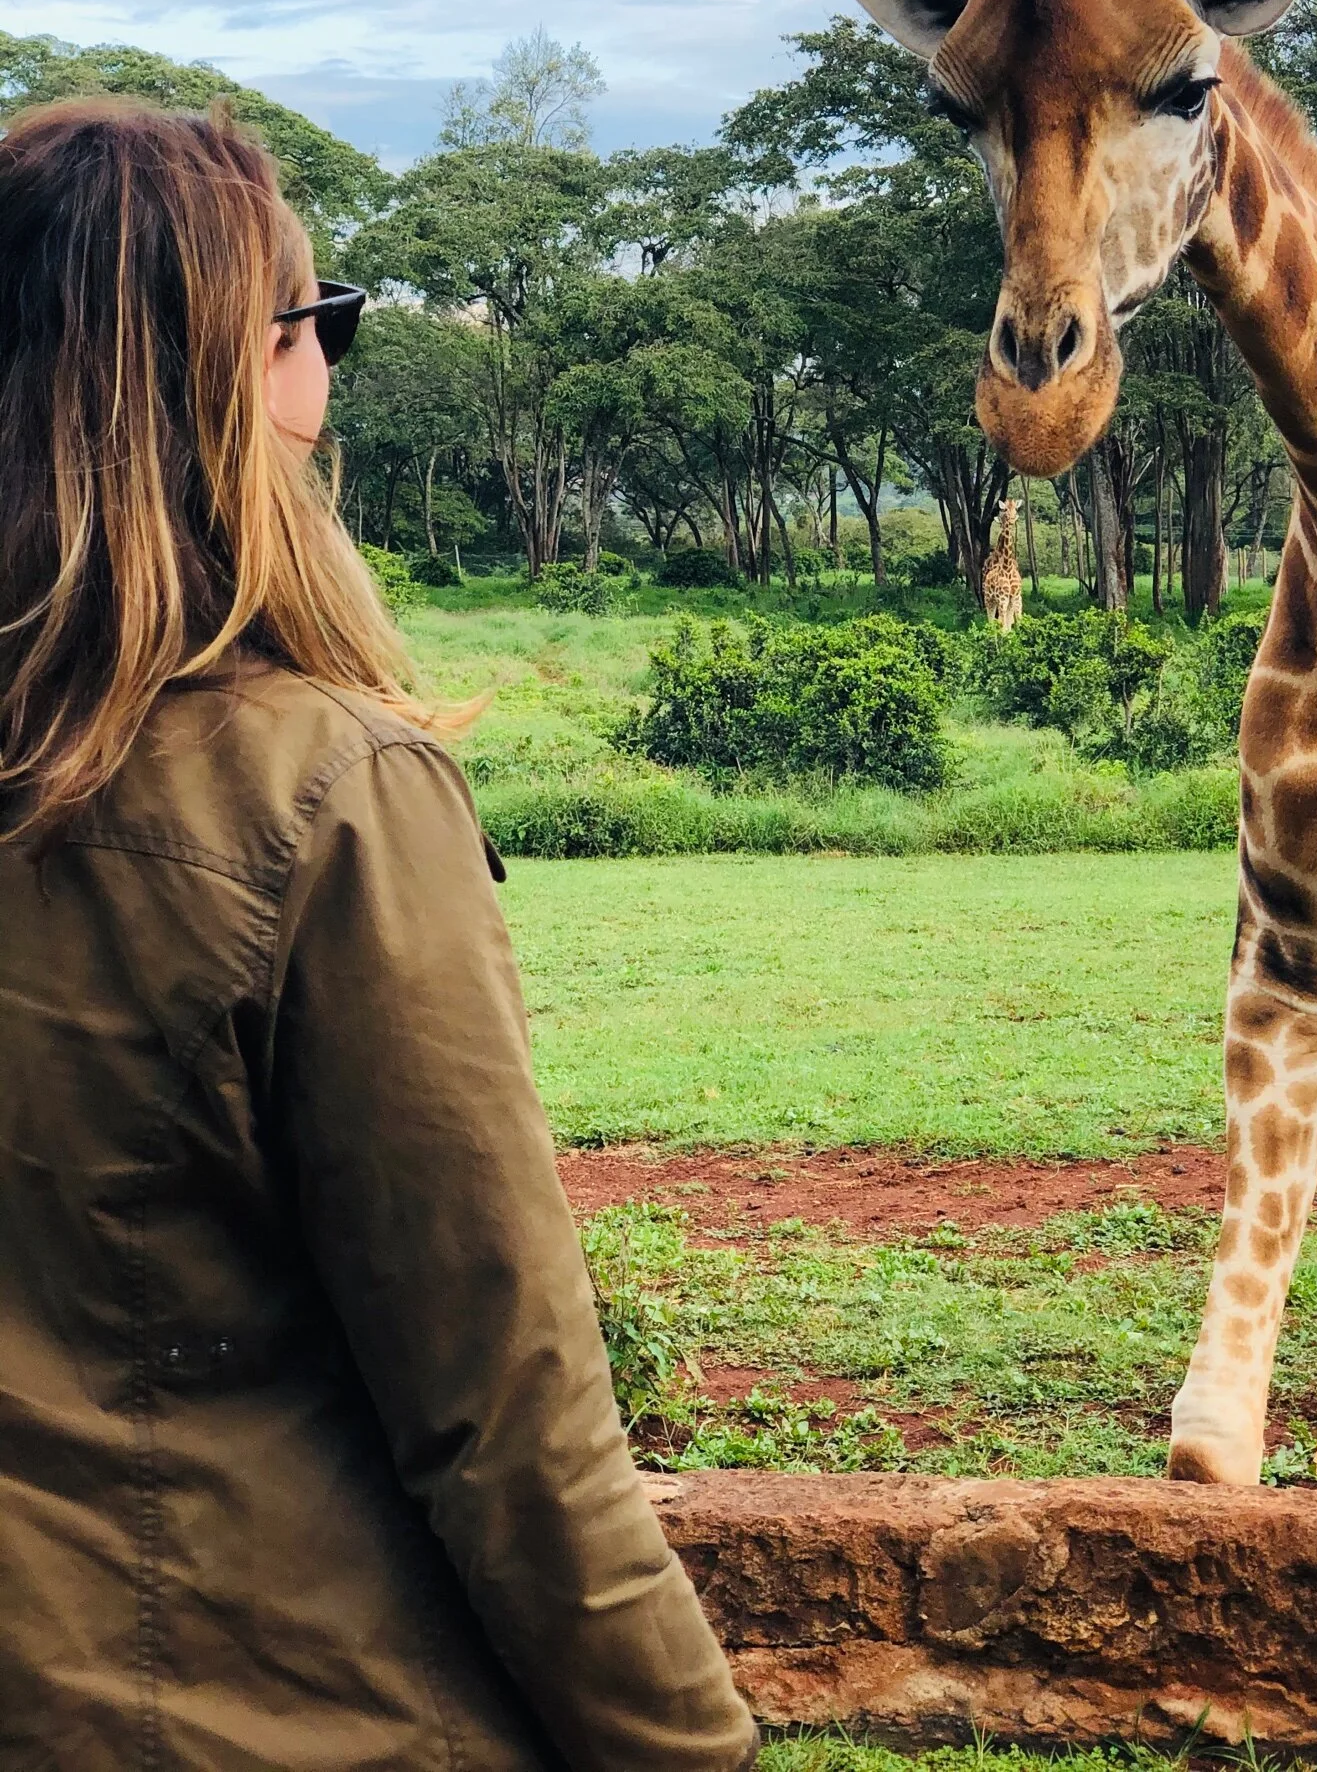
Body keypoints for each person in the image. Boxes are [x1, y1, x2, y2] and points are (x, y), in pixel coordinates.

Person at [0, 99, 758, 1772]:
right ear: (247, 366)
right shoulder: (323, 791)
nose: (323, 373)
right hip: (254, 1706)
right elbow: (508, 1418)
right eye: (320, 324)